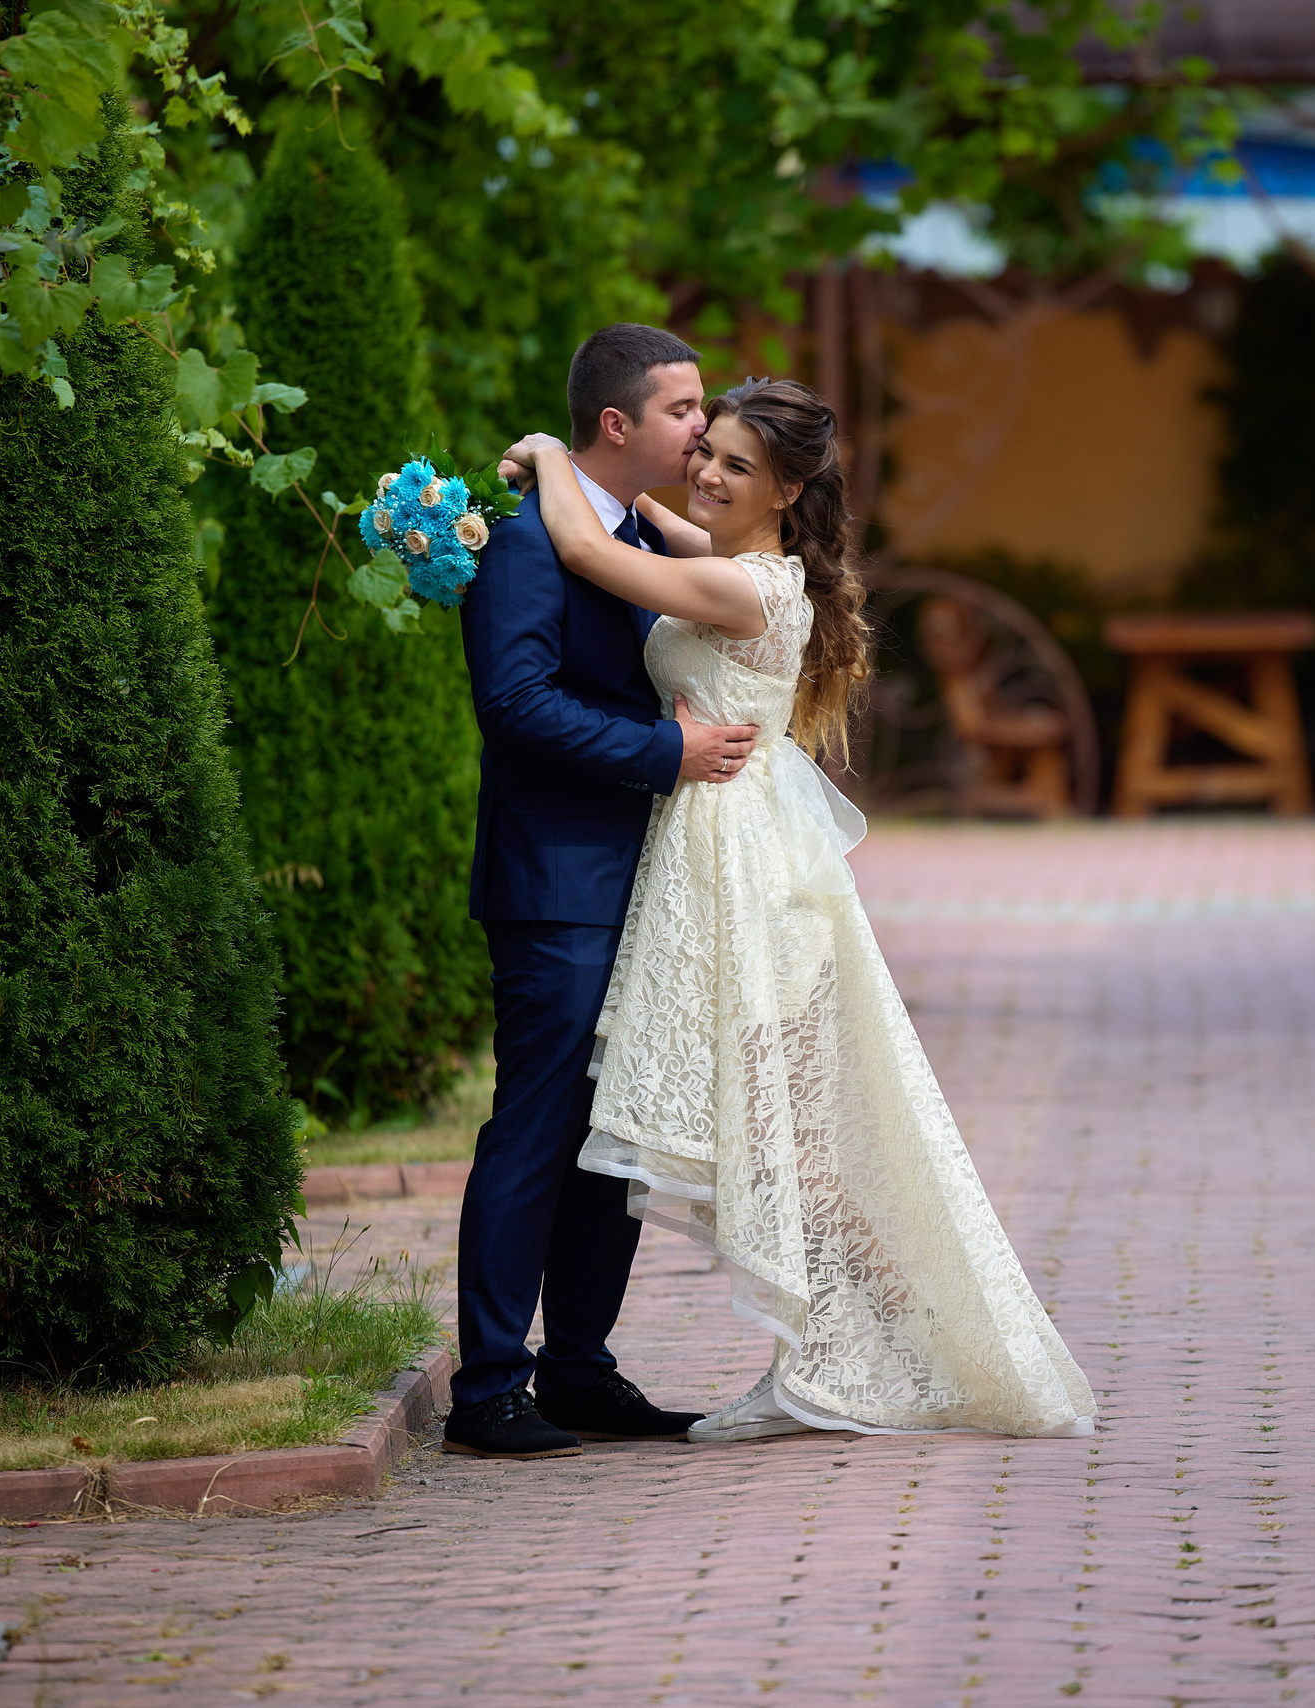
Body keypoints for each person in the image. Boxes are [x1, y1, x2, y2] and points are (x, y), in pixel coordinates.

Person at [499, 379, 1095, 1440]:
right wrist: (611, 490)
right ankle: (846, 1349)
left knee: (785, 1133)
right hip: (723, 846)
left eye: (735, 463)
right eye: (707, 451)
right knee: (775, 1131)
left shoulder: (750, 591)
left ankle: (883, 1346)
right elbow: (647, 524)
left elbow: (594, 555)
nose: (708, 472)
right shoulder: (740, 561)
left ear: (785, 487)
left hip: (744, 867)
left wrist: (551, 455)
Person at [443, 325, 763, 1461]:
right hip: (557, 885)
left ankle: (578, 1367)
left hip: (648, 885)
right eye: (685, 411)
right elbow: (514, 706)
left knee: (608, 1140)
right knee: (534, 1129)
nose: (703, 429)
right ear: (618, 424)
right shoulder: (531, 544)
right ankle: (487, 1386)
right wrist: (659, 752)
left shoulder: (632, 534)